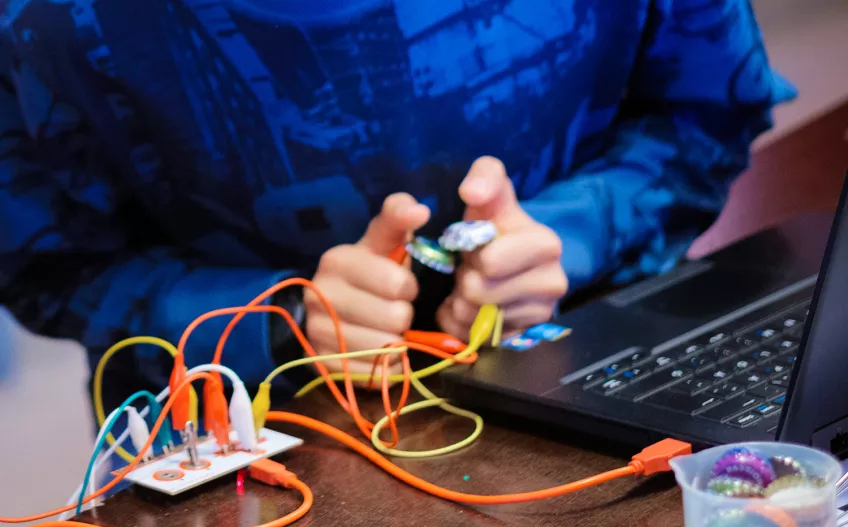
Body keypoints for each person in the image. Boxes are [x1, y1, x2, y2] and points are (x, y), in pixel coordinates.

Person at [0, 0, 794, 411]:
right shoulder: (33, 25)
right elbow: (51, 269)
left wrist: (571, 235)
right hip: (248, 447)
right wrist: (283, 321)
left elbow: (705, 111)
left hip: (612, 368)